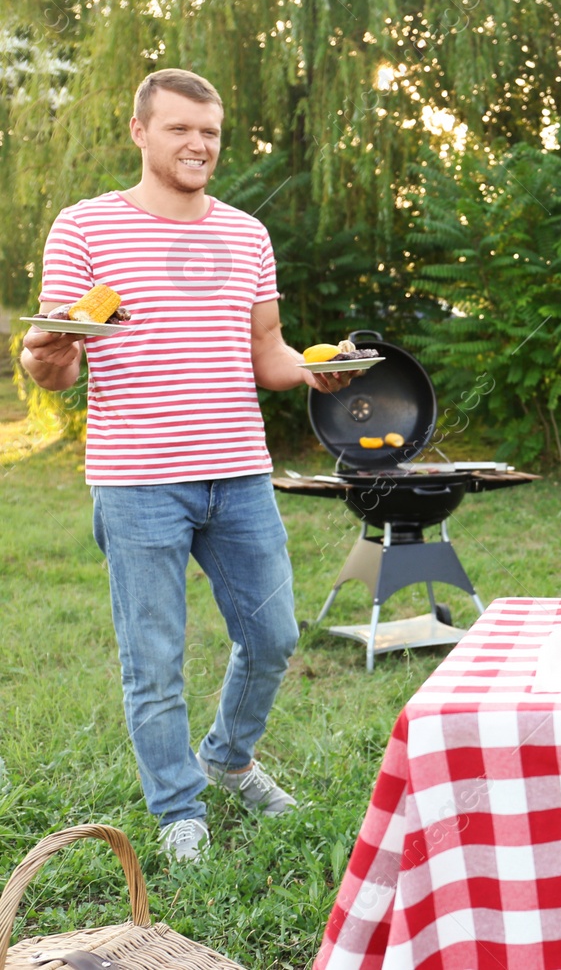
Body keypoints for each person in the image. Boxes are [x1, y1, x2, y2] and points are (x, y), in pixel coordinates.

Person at [19, 69, 350, 862]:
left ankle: (228, 758)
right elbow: (57, 368)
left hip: (238, 471)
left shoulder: (245, 233)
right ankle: (178, 808)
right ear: (140, 132)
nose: (199, 145)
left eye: (210, 132)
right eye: (180, 130)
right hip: (137, 480)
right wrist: (44, 354)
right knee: (154, 660)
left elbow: (266, 352)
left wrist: (314, 372)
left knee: (272, 635)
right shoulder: (85, 227)